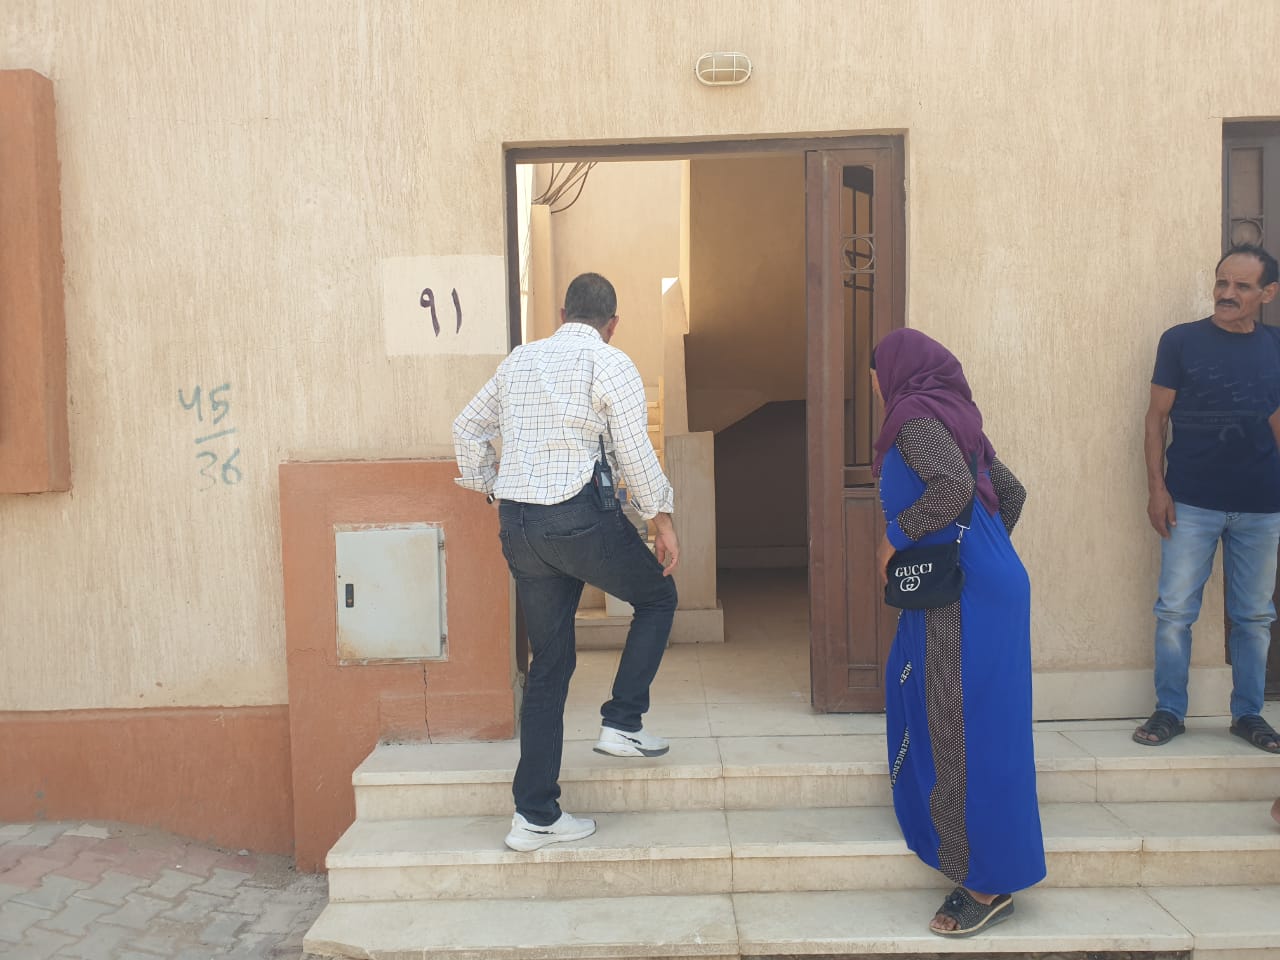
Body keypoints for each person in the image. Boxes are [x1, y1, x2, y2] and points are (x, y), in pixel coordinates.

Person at [452, 272, 680, 853]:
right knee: (658, 597)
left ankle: (534, 815)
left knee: (549, 666)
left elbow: (467, 427)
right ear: (612, 322)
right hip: (577, 519)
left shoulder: (520, 360)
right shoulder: (611, 362)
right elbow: (634, 451)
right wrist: (661, 521)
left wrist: (488, 484)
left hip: (519, 525)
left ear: (561, 313)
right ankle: (623, 722)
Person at [871, 328, 1045, 937]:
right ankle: (982, 856)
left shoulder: (914, 420)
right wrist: (984, 551)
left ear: (895, 371)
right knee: (980, 722)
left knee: (960, 729)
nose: (876, 385)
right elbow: (1011, 494)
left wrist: (896, 540)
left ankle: (985, 884)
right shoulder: (958, 420)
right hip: (986, 586)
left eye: (876, 372)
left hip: (963, 598)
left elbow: (953, 489)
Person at [1135, 244, 1280, 753]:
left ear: (1268, 293)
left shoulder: (1276, 346)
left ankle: (1248, 714)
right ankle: (1170, 710)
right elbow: (1156, 419)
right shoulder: (1180, 341)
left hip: (1262, 505)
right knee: (1175, 611)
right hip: (1191, 501)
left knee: (1254, 616)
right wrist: (1157, 488)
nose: (1227, 293)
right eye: (1222, 282)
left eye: (1241, 286)